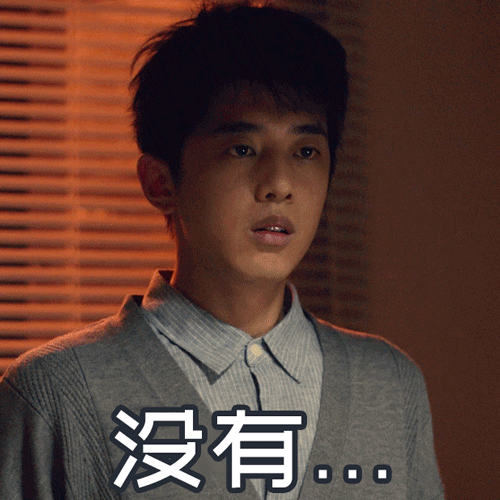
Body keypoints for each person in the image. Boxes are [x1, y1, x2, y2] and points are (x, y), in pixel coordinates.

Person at [0, 2, 445, 499]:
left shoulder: (390, 384)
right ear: (160, 182)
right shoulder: (55, 393)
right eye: (242, 149)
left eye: (305, 151)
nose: (279, 184)